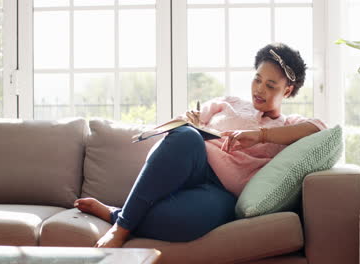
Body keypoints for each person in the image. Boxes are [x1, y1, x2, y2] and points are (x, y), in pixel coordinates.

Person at [74, 43, 327, 248]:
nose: (259, 89)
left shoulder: (288, 125)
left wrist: (259, 135)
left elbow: (321, 129)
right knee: (186, 135)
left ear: (288, 90)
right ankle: (122, 227)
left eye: (271, 85)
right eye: (257, 79)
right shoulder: (229, 102)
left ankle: (114, 213)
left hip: (219, 192)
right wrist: (187, 120)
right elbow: (175, 129)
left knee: (186, 224)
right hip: (188, 161)